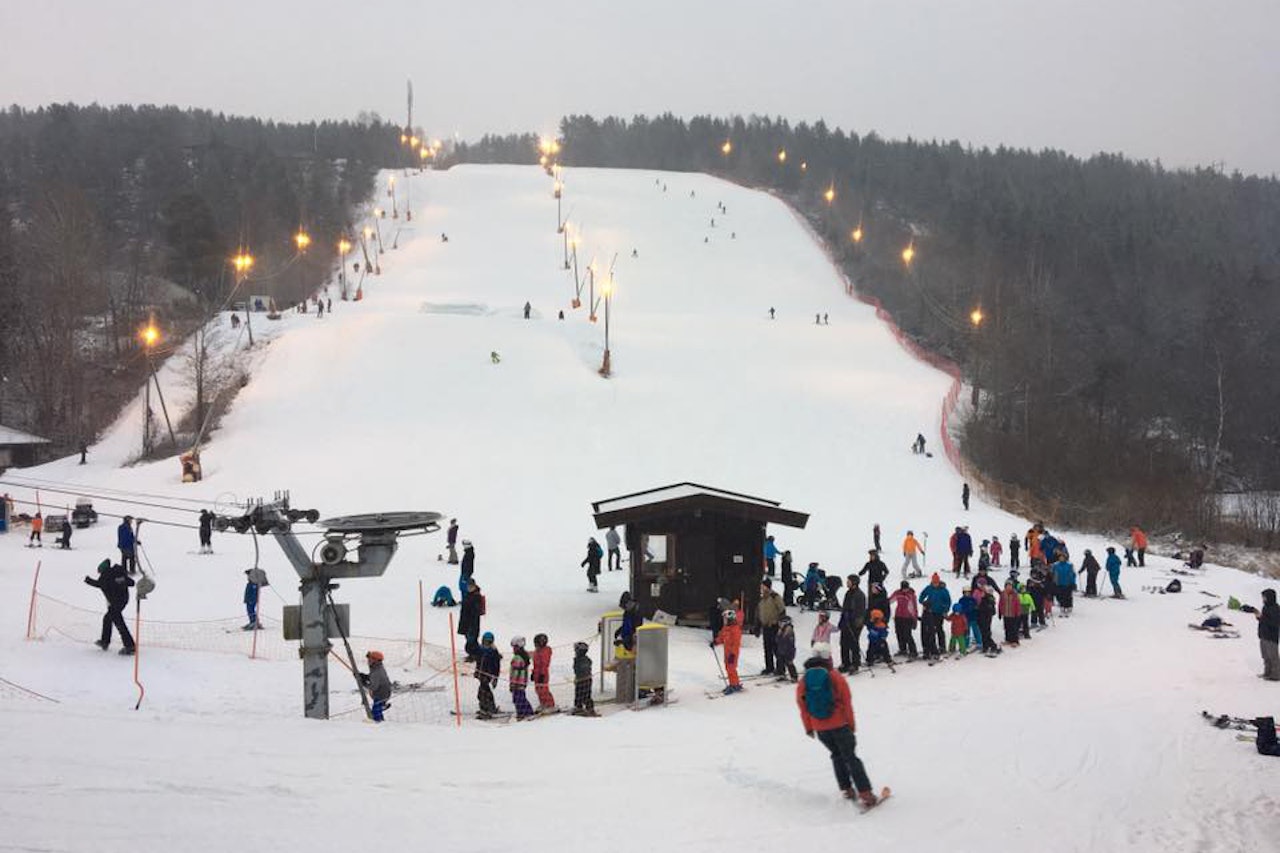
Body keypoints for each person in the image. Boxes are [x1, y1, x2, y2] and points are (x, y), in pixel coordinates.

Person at [796, 642, 881, 808]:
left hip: (820, 727)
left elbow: (802, 705)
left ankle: (846, 789)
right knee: (850, 757)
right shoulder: (834, 676)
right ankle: (866, 793)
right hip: (839, 724)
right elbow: (846, 702)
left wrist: (809, 727)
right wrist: (851, 724)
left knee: (836, 755)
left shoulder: (804, 679)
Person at [84, 559, 136, 655]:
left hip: (115, 603)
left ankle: (130, 646)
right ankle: (105, 641)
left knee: (119, 623)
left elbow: (99, 584)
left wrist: (88, 580)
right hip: (123, 600)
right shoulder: (118, 572)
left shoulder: (105, 576)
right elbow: (131, 582)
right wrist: (121, 581)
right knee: (107, 618)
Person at [918, 574, 952, 660]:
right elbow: (922, 595)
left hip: (939, 613)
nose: (935, 584)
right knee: (930, 631)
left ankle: (942, 646)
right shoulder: (929, 588)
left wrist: (945, 610)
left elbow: (948, 601)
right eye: (934, 582)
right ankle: (931, 648)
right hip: (930, 612)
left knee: (939, 629)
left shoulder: (943, 590)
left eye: (936, 582)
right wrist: (922, 601)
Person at [839, 575, 866, 674]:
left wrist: (855, 621)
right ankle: (845, 663)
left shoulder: (859, 595)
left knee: (853, 643)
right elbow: (845, 608)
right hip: (846, 622)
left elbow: (860, 611)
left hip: (854, 623)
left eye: (849, 581)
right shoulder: (848, 593)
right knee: (843, 643)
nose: (847, 583)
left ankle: (855, 664)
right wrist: (842, 620)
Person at [712, 608, 743, 694]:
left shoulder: (735, 629)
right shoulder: (726, 628)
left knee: (731, 668)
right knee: (729, 667)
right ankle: (735, 683)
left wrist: (732, 654)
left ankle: (733, 685)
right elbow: (721, 637)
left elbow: (736, 643)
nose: (724, 621)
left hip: (733, 653)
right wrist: (715, 642)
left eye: (725, 619)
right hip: (727, 651)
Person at [758, 579, 785, 675]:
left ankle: (780, 668)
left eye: (763, 586)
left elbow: (782, 610)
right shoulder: (762, 599)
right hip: (765, 627)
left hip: (774, 626)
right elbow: (760, 612)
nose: (761, 588)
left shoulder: (774, 597)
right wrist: (758, 625)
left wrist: (781, 624)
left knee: (776, 648)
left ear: (767, 586)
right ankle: (769, 667)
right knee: (767, 648)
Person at [1253, 590, 1280, 681]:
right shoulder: (1265, 607)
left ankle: (1276, 675)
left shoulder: (1275, 608)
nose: (1263, 599)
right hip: (1263, 635)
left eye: (1264, 597)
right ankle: (1267, 672)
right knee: (1265, 656)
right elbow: (1263, 620)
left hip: (1271, 636)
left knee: (1273, 657)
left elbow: (1274, 623)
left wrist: (1262, 617)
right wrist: (1258, 616)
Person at [475, 632, 503, 718]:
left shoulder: (493, 651)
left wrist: (495, 678)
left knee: (482, 692)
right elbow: (478, 662)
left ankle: (485, 710)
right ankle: (490, 707)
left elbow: (496, 666)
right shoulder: (480, 649)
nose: (486, 643)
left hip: (487, 675)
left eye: (488, 642)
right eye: (484, 641)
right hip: (481, 674)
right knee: (485, 691)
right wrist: (477, 671)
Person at [888, 581, 919, 659]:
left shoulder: (911, 595)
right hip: (898, 616)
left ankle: (913, 651)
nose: (905, 590)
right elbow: (890, 600)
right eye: (903, 588)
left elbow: (914, 608)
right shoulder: (898, 593)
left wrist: (914, 619)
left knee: (907, 634)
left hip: (908, 617)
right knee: (899, 633)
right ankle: (903, 649)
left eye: (906, 588)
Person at [361, 650, 392, 722]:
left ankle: (378, 724)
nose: (368, 661)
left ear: (375, 660)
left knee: (375, 712)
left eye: (370, 659)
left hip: (381, 694)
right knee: (377, 711)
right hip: (383, 693)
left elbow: (373, 687)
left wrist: (364, 683)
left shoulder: (377, 671)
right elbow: (373, 678)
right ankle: (381, 722)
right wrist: (365, 677)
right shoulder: (377, 668)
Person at [509, 637, 535, 719]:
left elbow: (516, 672)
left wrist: (513, 683)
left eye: (514, 647)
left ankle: (523, 713)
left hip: (518, 682)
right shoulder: (524, 656)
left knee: (518, 699)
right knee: (521, 697)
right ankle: (526, 711)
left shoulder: (517, 658)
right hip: (522, 681)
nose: (513, 649)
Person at [459, 581, 485, 661]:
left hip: (472, 622)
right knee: (470, 639)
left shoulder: (476, 596)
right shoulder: (468, 595)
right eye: (468, 586)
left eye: (471, 586)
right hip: (466, 621)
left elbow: (475, 611)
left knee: (471, 640)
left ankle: (474, 655)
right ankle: (476, 654)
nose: (469, 588)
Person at [572, 641, 597, 715]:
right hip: (586, 679)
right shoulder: (587, 659)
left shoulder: (579, 660)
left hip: (582, 679)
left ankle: (585, 707)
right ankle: (580, 706)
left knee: (582, 694)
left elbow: (577, 670)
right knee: (584, 694)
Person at [532, 634, 556, 712]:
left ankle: (550, 704)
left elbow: (544, 664)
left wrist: (542, 674)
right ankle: (543, 703)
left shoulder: (545, 651)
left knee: (544, 690)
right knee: (538, 689)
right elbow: (535, 664)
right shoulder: (537, 651)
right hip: (536, 673)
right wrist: (533, 673)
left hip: (543, 673)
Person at [999, 580, 1023, 647]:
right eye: (1007, 586)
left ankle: (1015, 640)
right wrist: (1000, 612)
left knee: (1013, 628)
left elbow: (1018, 604)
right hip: (1006, 613)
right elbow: (1000, 603)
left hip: (1013, 614)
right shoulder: (1003, 593)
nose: (1009, 587)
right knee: (1007, 627)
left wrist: (1018, 613)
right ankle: (1008, 639)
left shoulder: (1015, 594)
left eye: (1010, 586)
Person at [775, 616, 798, 682]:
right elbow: (777, 639)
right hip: (781, 649)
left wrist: (787, 648)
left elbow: (789, 641)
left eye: (781, 622)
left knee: (789, 662)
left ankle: (794, 676)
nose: (779, 624)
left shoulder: (789, 630)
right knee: (780, 662)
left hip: (789, 650)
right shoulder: (781, 629)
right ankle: (781, 674)